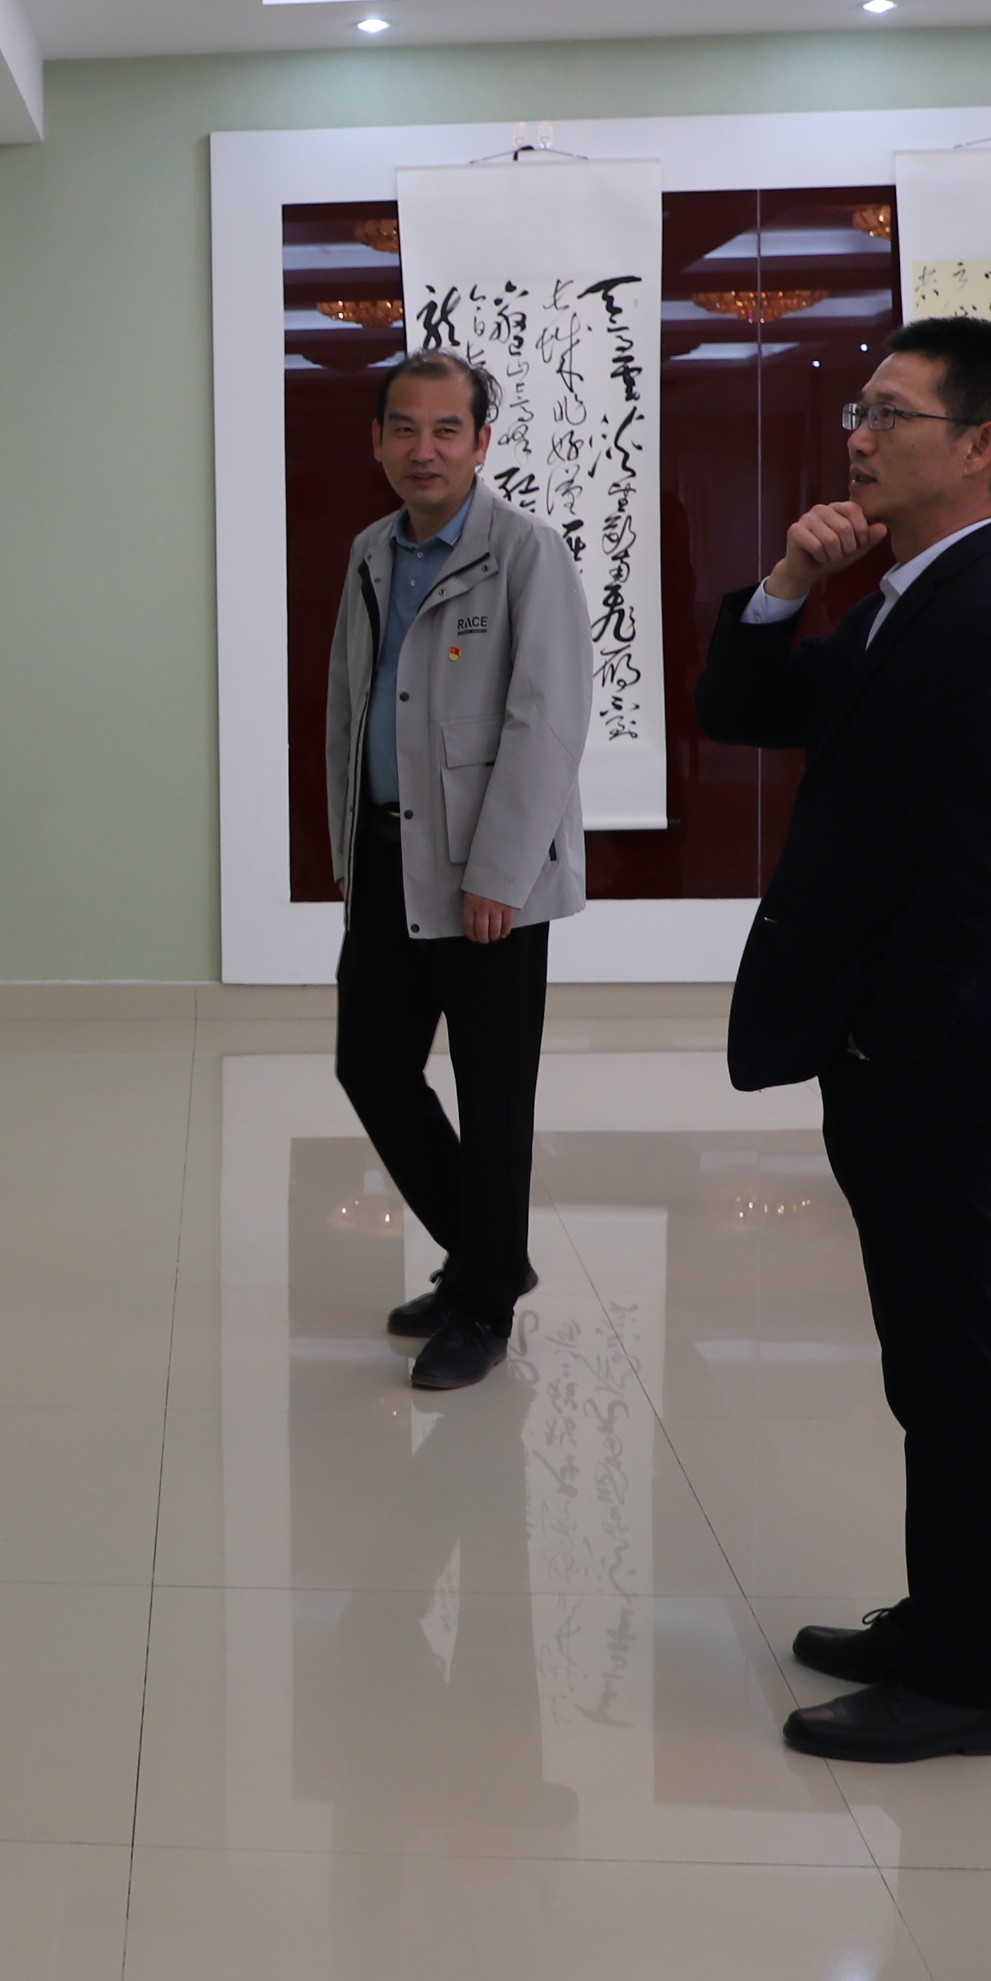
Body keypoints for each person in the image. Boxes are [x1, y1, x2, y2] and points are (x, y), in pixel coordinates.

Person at [694, 318, 991, 1764]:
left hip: (932, 1061)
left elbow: (983, 879)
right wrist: (789, 581)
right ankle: (939, 1618)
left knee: (951, 1363)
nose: (857, 434)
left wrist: (885, 1044)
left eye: (891, 414)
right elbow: (742, 706)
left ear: (980, 446)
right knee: (925, 1357)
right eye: (858, 407)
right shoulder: (909, 592)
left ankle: (968, 1678)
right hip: (903, 1051)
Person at [325, 349, 595, 1394]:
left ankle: (480, 1304)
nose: (423, 449)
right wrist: (346, 849)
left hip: (490, 879)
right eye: (403, 427)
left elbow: (546, 722)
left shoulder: (526, 551)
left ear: (481, 441)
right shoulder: (369, 551)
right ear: (377, 439)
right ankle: (490, 1255)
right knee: (371, 1066)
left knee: (492, 1093)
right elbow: (350, 708)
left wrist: (501, 872)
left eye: (446, 429)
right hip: (387, 861)